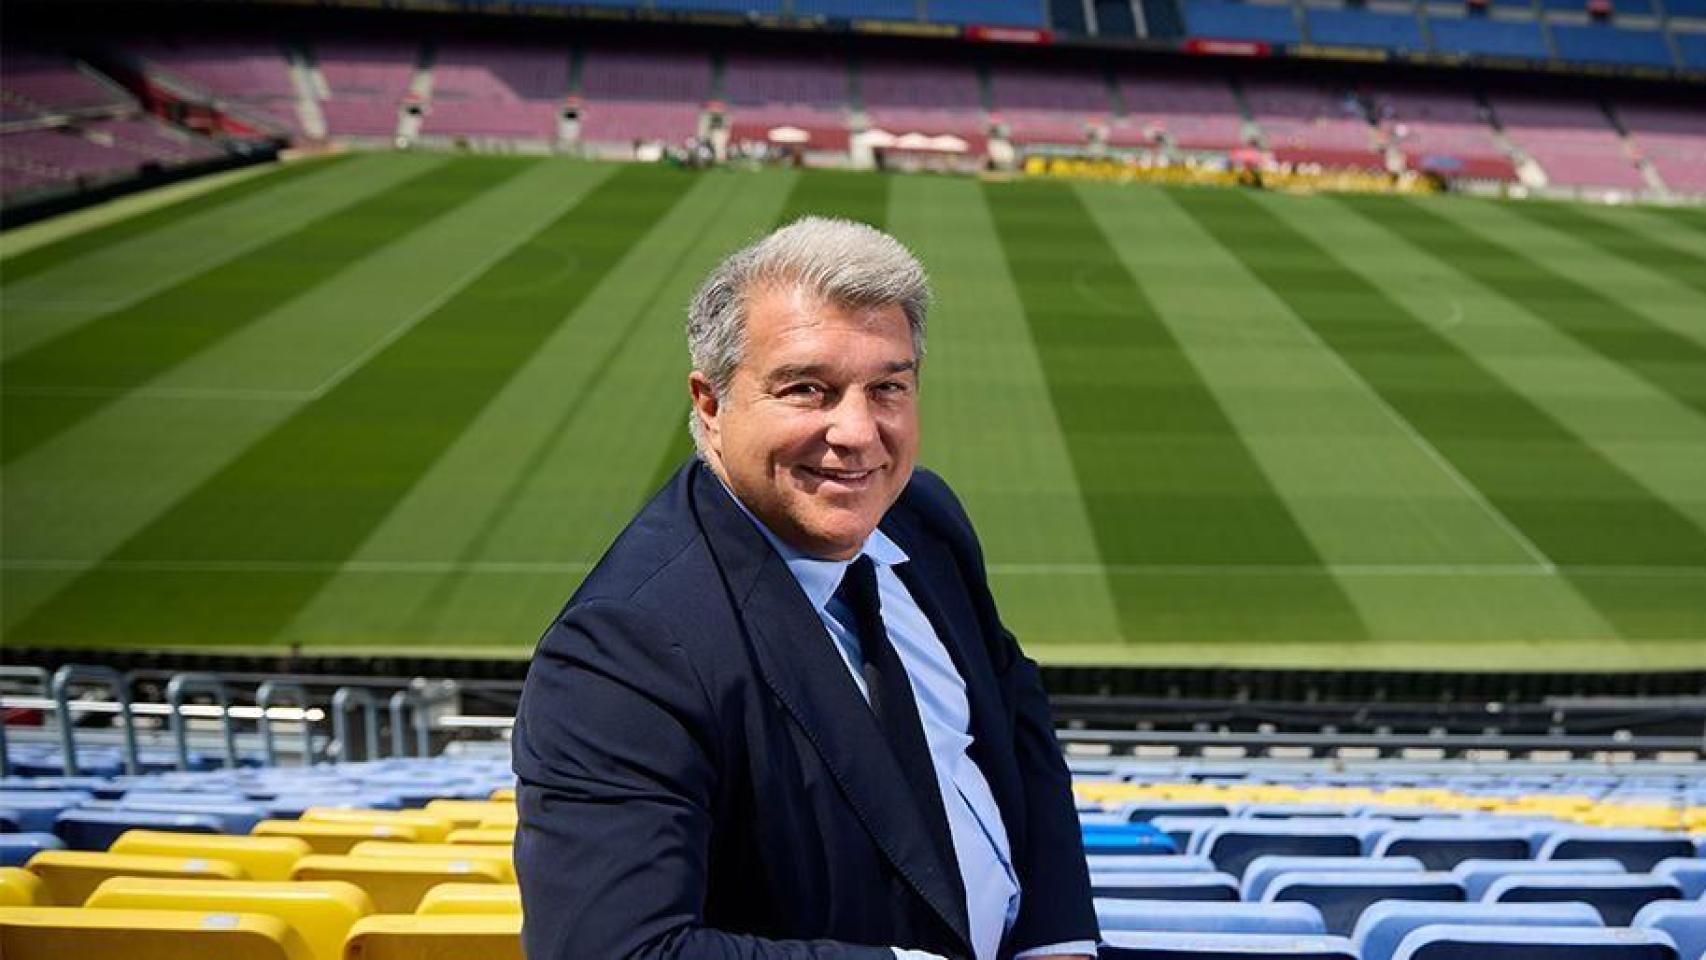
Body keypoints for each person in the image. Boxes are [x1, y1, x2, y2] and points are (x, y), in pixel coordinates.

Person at [512, 217, 1098, 960]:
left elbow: (1014, 716)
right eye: (807, 389)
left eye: (888, 387)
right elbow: (612, 952)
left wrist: (1058, 941)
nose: (857, 432)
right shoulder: (624, 650)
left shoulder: (923, 516)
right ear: (710, 404)